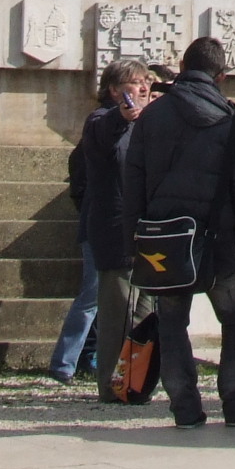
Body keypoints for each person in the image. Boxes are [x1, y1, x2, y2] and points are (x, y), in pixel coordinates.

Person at [121, 36, 235, 428]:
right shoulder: (233, 119)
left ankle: (185, 407)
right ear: (221, 76)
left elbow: (132, 179)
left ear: (183, 68)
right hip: (218, 238)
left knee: (172, 322)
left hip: (165, 238)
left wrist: (134, 235)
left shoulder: (152, 116)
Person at [57, 58, 154, 394]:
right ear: (114, 90)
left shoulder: (147, 122)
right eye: (134, 82)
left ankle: (137, 382)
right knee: (116, 315)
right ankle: (111, 385)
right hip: (116, 234)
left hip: (149, 232)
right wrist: (122, 116)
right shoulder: (102, 119)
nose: (143, 87)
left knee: (145, 313)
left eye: (145, 81)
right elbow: (103, 132)